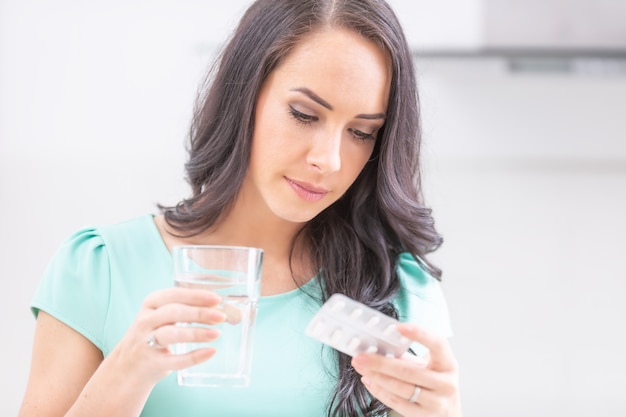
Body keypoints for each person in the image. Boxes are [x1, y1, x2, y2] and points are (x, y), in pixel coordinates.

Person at [19, 0, 462, 416]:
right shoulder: (100, 269)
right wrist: (126, 376)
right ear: (244, 96)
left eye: (362, 133)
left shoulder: (400, 291)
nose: (328, 160)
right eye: (304, 114)